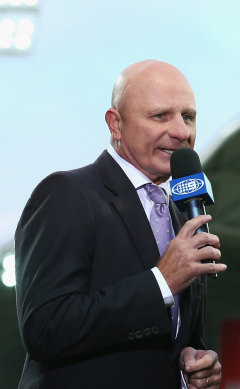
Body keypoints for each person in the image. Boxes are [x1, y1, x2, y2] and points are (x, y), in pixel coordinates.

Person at [15, 60, 227, 389]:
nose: (182, 132)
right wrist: (161, 282)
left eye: (188, 116)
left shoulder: (183, 215)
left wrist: (193, 361)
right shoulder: (67, 195)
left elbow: (169, 337)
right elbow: (45, 328)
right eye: (161, 116)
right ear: (116, 124)